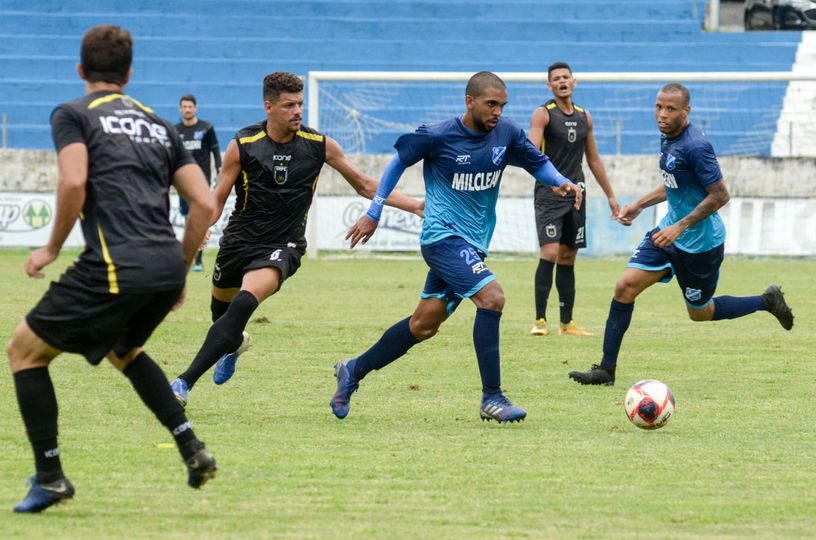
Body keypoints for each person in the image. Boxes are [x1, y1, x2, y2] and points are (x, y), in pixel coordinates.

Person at [6, 25, 217, 513]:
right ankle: (192, 448)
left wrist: (50, 248)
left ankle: (51, 476)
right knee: (126, 350)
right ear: (128, 74)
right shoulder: (159, 123)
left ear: (80, 71)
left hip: (116, 264)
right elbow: (203, 203)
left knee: (24, 352)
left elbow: (74, 181)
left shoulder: (74, 114)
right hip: (164, 264)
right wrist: (181, 269)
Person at [332, 71, 582, 423]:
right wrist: (374, 210)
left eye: (502, 105)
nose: (497, 111)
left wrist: (560, 182)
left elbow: (537, 163)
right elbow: (397, 164)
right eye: (490, 104)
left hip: (473, 244)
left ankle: (352, 370)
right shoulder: (436, 135)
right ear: (470, 101)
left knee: (423, 325)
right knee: (492, 298)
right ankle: (492, 397)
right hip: (442, 238)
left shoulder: (507, 133)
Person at [170, 72, 423, 407]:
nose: (297, 111)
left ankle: (183, 383)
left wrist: (416, 204)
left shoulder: (319, 145)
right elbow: (217, 199)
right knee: (223, 317)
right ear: (269, 106)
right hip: (237, 242)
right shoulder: (242, 144)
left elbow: (364, 184)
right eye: (289, 105)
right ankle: (234, 344)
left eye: (300, 104)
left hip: (282, 245)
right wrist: (203, 226)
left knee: (245, 302)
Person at [568, 83, 794, 386]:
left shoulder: (696, 146)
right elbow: (675, 183)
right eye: (659, 107)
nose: (662, 114)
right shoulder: (669, 139)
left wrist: (680, 226)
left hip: (700, 244)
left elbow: (720, 195)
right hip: (667, 234)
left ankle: (767, 301)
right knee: (624, 288)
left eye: (671, 109)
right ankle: (606, 370)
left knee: (700, 313)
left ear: (686, 111)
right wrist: (638, 204)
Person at [529, 61, 619, 338]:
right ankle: (540, 321)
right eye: (555, 79)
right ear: (550, 85)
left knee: (568, 257)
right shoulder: (543, 114)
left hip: (577, 195)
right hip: (549, 193)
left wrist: (611, 196)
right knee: (550, 252)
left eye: (565, 77)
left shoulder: (584, 116)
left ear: (574, 82)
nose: (561, 81)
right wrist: (549, 181)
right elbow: (530, 152)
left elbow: (592, 158)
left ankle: (566, 323)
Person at [175, 93, 221, 272]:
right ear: (180, 109)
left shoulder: (206, 128)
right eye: (184, 107)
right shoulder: (175, 130)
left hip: (203, 184)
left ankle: (199, 261)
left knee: (201, 219)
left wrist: (220, 171)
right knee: (188, 221)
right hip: (182, 184)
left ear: (195, 108)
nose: (187, 109)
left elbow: (216, 152)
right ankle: (189, 256)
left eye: (190, 107)